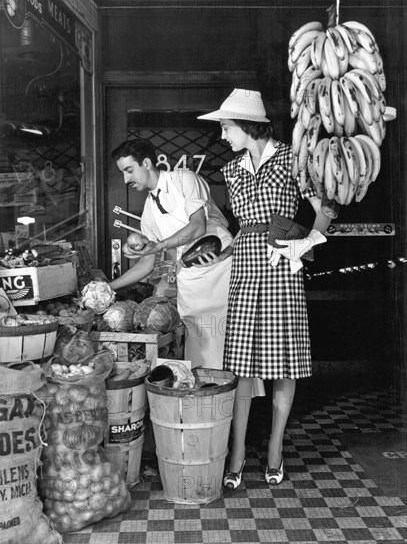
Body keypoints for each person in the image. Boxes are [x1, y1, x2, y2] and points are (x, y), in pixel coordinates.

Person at [198, 89, 332, 488]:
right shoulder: (233, 168)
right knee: (241, 365)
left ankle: (275, 449)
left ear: (246, 125)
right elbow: (241, 228)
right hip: (245, 266)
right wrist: (221, 256)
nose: (223, 135)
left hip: (282, 267)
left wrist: (306, 242)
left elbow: (326, 206)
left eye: (226, 127)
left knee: (283, 361)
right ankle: (236, 453)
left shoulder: (293, 159)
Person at [109, 138, 233, 369]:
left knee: (230, 344)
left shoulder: (184, 180)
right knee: (200, 350)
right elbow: (146, 264)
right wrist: (110, 287)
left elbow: (197, 226)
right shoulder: (149, 211)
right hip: (191, 280)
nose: (126, 179)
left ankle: (237, 403)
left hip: (220, 267)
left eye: (129, 170)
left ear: (146, 163)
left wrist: (159, 246)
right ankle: (208, 400)